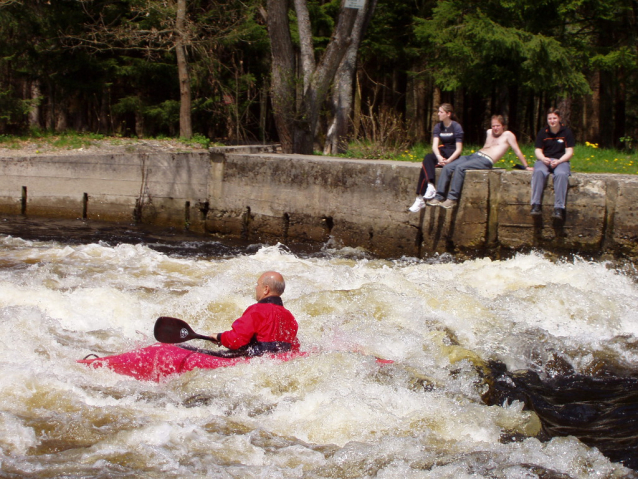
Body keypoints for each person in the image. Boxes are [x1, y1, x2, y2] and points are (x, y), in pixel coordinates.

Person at [427, 115, 531, 209]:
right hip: (474, 155)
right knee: (448, 167)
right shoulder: (489, 132)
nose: (495, 128)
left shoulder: (508, 135)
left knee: (460, 168)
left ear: (503, 126)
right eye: (493, 126)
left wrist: (526, 166)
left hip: (486, 160)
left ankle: (452, 198)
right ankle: (439, 196)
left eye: (498, 126)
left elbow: (517, 150)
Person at [211, 271, 300, 357]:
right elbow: (294, 346)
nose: (256, 288)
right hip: (274, 362)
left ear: (266, 289)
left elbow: (236, 340)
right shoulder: (290, 317)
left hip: (254, 360)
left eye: (258, 285)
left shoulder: (256, 310)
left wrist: (219, 336)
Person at [409, 103, 464, 212]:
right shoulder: (438, 126)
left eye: (441, 112)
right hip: (442, 152)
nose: (438, 114)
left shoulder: (456, 127)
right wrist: (439, 157)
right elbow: (434, 145)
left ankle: (420, 198)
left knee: (424, 168)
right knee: (427, 158)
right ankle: (430, 185)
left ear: (448, 114)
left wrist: (449, 161)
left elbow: (459, 149)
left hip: (453, 154)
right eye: (438, 111)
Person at [530, 108, 575, 220]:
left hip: (561, 160)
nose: (552, 121)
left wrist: (559, 161)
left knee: (561, 175)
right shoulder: (543, 132)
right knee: (539, 172)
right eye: (550, 118)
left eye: (554, 118)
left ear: (559, 118)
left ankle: (559, 208)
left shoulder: (566, 132)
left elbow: (569, 152)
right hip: (545, 160)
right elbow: (538, 150)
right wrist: (543, 158)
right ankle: (536, 205)